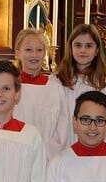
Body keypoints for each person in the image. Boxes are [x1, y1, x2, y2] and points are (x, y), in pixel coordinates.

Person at [12, 28, 70, 160]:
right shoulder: (9, 87)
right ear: (18, 53)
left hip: (46, 158)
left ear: (45, 53)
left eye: (39, 50)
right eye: (28, 49)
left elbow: (62, 127)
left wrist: (44, 155)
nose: (34, 55)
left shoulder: (55, 88)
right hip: (14, 155)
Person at [55, 24, 106, 146]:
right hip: (63, 145)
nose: (83, 50)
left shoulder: (103, 83)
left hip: (93, 143)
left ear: (97, 50)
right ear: (70, 48)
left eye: (89, 46)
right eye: (78, 45)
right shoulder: (57, 81)